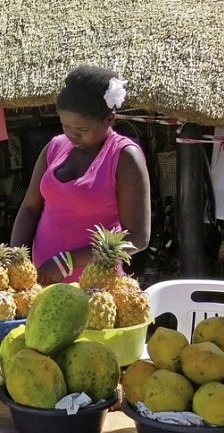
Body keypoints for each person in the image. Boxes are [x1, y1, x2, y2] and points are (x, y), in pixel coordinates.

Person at [10, 65, 151, 285]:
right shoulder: (54, 148)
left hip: (95, 289)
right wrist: (16, 258)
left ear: (110, 119)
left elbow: (137, 237)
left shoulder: (124, 157)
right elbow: (29, 207)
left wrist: (67, 262)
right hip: (41, 282)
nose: (72, 135)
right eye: (65, 125)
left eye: (82, 129)